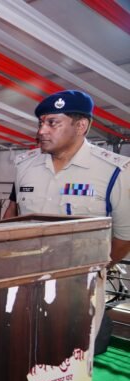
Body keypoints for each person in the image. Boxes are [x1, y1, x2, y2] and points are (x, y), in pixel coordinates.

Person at [14, 89, 130, 354]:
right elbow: (15, 216)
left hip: (79, 290)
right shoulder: (24, 166)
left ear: (81, 126)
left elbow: (125, 236)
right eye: (41, 122)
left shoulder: (115, 171)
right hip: (24, 281)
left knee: (73, 355)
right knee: (24, 350)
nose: (41, 131)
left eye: (52, 123)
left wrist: (93, 270)